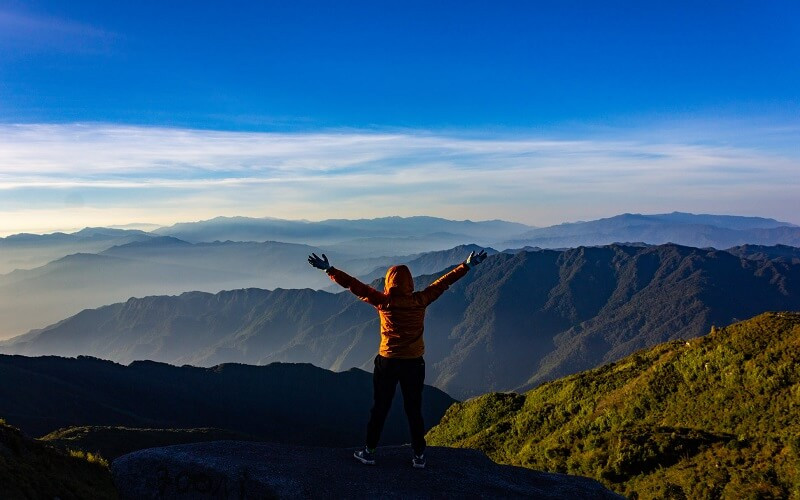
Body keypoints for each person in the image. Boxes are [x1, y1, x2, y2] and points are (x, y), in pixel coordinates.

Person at [307, 249, 488, 469]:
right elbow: (444, 282)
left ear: (389, 282)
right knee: (414, 409)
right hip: (414, 363)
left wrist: (329, 270)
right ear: (409, 283)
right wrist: (467, 265)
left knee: (380, 408)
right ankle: (419, 455)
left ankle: (370, 452)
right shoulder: (421, 300)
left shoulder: (383, 302)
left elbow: (353, 285)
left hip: (388, 362)